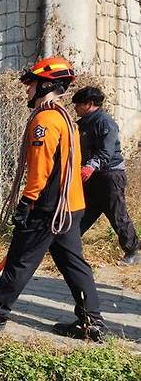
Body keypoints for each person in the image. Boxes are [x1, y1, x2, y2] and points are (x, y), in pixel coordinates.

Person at [0, 57, 107, 341]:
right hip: (70, 207)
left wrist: (26, 203)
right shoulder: (66, 119)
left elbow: (41, 169)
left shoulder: (45, 121)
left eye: (31, 85)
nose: (27, 90)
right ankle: (92, 323)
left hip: (46, 207)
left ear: (46, 85)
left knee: (20, 260)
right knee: (74, 264)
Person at [72, 86, 139, 265]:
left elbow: (106, 151)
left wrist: (90, 167)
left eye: (78, 104)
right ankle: (68, 246)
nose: (75, 108)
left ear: (90, 104)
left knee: (117, 214)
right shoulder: (82, 123)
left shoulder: (104, 122)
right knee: (82, 212)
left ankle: (132, 251)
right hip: (92, 176)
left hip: (110, 175)